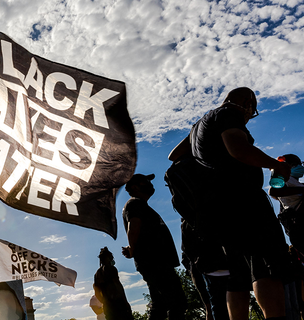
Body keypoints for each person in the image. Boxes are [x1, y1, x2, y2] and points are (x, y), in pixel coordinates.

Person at [169, 87, 292, 320]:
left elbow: (174, 155)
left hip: (219, 212)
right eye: (251, 111)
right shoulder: (228, 114)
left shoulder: (200, 125)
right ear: (246, 103)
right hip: (245, 203)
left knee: (238, 273)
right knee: (266, 266)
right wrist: (276, 165)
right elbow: (238, 149)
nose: (249, 116)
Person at [122, 173, 187, 320]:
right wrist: (132, 248)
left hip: (155, 262)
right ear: (135, 186)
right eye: (145, 181)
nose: (149, 184)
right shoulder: (135, 203)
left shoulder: (140, 205)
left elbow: (138, 231)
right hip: (155, 262)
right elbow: (133, 227)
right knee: (177, 302)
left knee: (160, 305)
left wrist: (132, 247)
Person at [269, 154, 304, 252]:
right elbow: (273, 191)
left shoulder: (295, 183)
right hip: (299, 228)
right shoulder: (286, 179)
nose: (300, 167)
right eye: (295, 164)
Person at [93, 247, 133, 320]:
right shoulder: (111, 269)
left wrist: (105, 302)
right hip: (119, 304)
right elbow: (118, 286)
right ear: (108, 258)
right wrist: (126, 302)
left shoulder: (97, 274)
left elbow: (97, 293)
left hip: (108, 307)